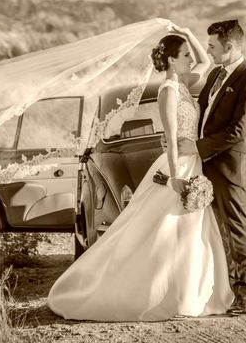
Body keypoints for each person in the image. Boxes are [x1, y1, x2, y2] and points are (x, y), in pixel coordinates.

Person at [47, 29, 234, 321]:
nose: (191, 59)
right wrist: (174, 177)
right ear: (171, 60)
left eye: (188, 54)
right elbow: (171, 138)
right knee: (163, 231)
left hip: (193, 163)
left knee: (188, 233)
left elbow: (205, 64)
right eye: (184, 55)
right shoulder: (168, 92)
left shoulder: (183, 84)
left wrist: (186, 33)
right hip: (178, 166)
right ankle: (157, 293)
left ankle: (187, 293)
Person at [177, 19, 246, 316]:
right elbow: (201, 114)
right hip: (202, 165)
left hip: (229, 168)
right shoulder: (215, 73)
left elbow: (238, 131)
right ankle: (212, 289)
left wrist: (198, 147)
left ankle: (243, 296)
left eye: (213, 46)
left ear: (229, 47)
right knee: (210, 229)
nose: (209, 51)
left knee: (236, 229)